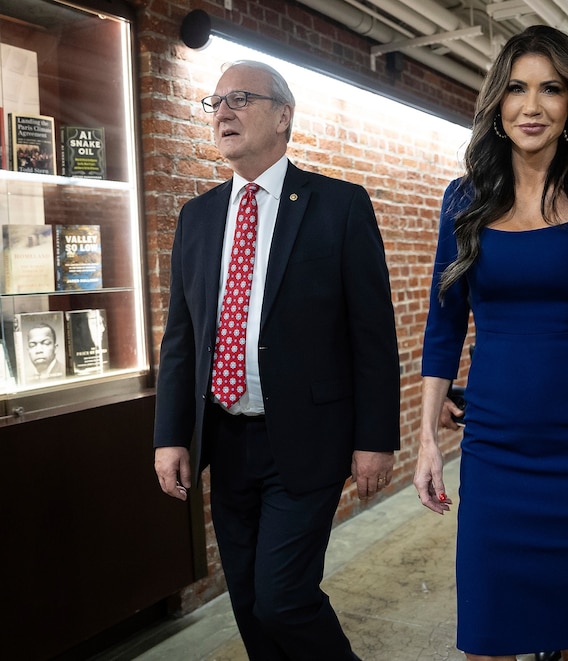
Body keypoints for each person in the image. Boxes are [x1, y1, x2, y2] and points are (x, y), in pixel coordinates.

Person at [415, 25, 568, 661]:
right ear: (497, 103)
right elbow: (443, 327)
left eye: (551, 89)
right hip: (495, 450)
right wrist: (425, 441)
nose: (532, 106)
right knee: (486, 640)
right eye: (517, 89)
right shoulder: (465, 200)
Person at [153, 60, 400, 660]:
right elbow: (182, 338)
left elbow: (373, 335)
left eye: (240, 98)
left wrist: (375, 439)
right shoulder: (198, 217)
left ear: (283, 115)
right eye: (215, 103)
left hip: (307, 439)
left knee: (283, 599)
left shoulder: (338, 206)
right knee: (248, 603)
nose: (223, 112)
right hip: (225, 441)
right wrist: (170, 435)